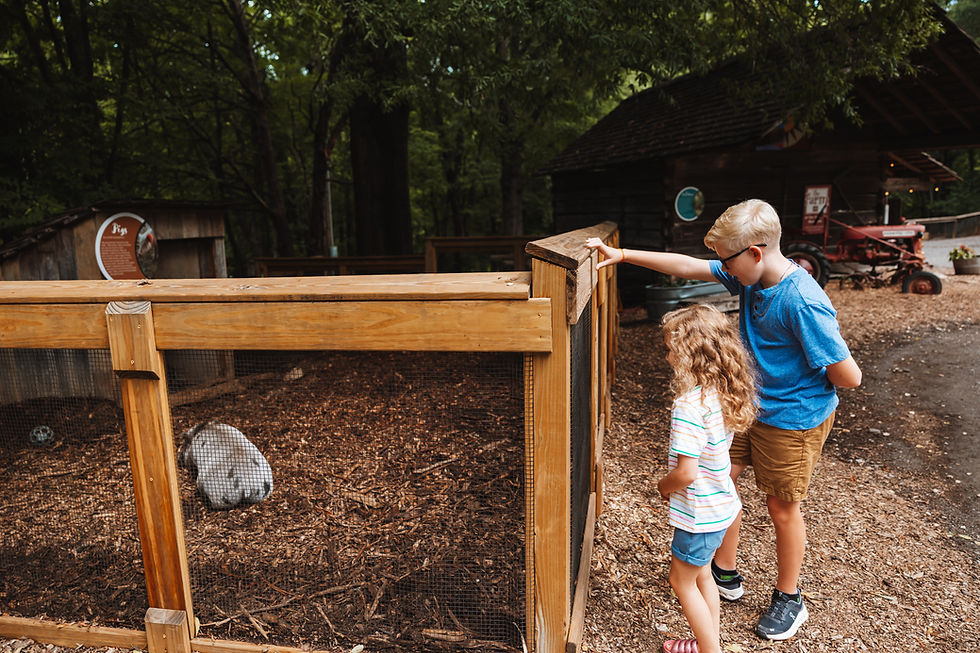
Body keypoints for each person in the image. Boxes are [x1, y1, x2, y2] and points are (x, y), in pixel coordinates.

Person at [586, 199, 862, 641]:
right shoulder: (748, 276)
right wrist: (622, 255)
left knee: (781, 505)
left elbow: (849, 376)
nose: (722, 269)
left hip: (793, 416)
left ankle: (789, 597)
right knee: (722, 479)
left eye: (726, 261)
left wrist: (796, 372)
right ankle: (725, 573)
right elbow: (690, 266)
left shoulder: (802, 302)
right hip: (746, 406)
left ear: (755, 253)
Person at [656, 304, 757, 653]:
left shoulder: (688, 406)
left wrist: (662, 486)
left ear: (689, 354)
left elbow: (686, 472)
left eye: (671, 348)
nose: (668, 355)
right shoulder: (722, 392)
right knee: (702, 575)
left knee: (680, 581)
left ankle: (710, 650)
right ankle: (707, 641)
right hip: (722, 506)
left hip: (700, 516)